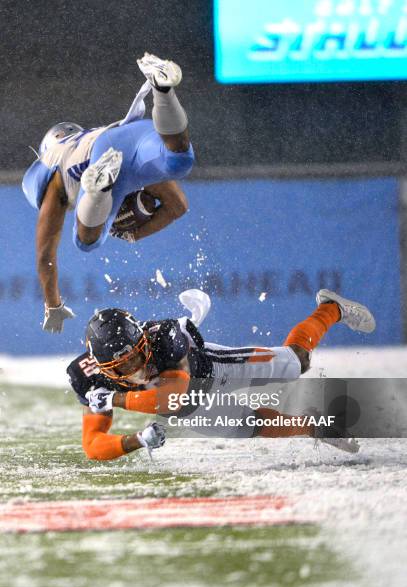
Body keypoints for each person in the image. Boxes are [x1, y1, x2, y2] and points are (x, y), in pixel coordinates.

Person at [67, 289, 376, 461]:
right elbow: (93, 445)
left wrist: (117, 399)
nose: (135, 367)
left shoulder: (162, 336)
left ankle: (331, 309)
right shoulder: (88, 378)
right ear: (102, 367)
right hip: (190, 409)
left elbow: (173, 396)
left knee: (294, 364)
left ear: (143, 341)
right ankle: (314, 426)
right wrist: (136, 440)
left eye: (137, 354)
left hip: (209, 369)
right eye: (122, 366)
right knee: (253, 427)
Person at [22, 53, 194, 333]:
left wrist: (52, 305)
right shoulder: (90, 135)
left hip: (99, 157)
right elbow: (178, 206)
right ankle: (163, 91)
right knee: (179, 160)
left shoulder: (53, 169)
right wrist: (136, 234)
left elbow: (45, 255)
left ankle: (98, 191)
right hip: (128, 133)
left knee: (87, 241)